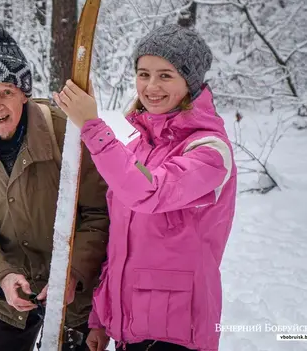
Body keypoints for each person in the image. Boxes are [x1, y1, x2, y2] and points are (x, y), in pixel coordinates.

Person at [53, 24, 237, 351]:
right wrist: (101, 319)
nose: (151, 86)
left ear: (190, 81)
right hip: (130, 329)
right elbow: (120, 244)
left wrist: (93, 126)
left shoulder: (210, 151)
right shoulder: (139, 146)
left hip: (178, 332)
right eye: (143, 73)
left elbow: (148, 193)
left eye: (165, 75)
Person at [0, 23, 110, 351]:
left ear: (24, 92)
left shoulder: (68, 135)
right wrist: (2, 277)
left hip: (74, 299)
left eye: (6, 91)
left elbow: (101, 213)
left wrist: (73, 274)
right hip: (10, 296)